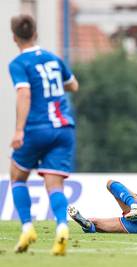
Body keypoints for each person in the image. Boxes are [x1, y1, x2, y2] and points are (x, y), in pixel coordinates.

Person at [8, 14, 79, 255]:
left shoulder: (18, 64)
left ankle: (27, 227)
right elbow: (74, 85)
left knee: (17, 176)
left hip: (37, 128)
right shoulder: (54, 59)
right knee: (54, 183)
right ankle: (61, 227)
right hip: (64, 129)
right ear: (36, 34)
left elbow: (24, 94)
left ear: (14, 37)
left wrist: (19, 130)